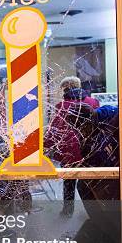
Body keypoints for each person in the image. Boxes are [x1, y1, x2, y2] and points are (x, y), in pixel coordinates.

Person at [44, 76, 99, 216]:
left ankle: (68, 211)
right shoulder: (93, 102)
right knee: (90, 180)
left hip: (69, 150)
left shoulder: (61, 106)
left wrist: (46, 145)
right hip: (89, 148)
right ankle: (94, 210)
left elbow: (55, 129)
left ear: (66, 89)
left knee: (69, 182)